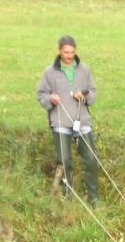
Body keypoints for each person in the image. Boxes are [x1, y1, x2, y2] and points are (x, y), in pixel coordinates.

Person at [36, 35, 100, 204]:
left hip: (82, 121)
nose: (69, 56)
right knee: (64, 162)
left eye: (72, 52)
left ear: (75, 51)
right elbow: (41, 95)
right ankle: (67, 198)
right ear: (59, 51)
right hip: (60, 122)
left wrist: (84, 97)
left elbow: (93, 94)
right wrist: (51, 99)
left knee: (91, 159)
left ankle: (93, 198)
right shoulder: (49, 72)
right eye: (66, 52)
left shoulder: (85, 70)